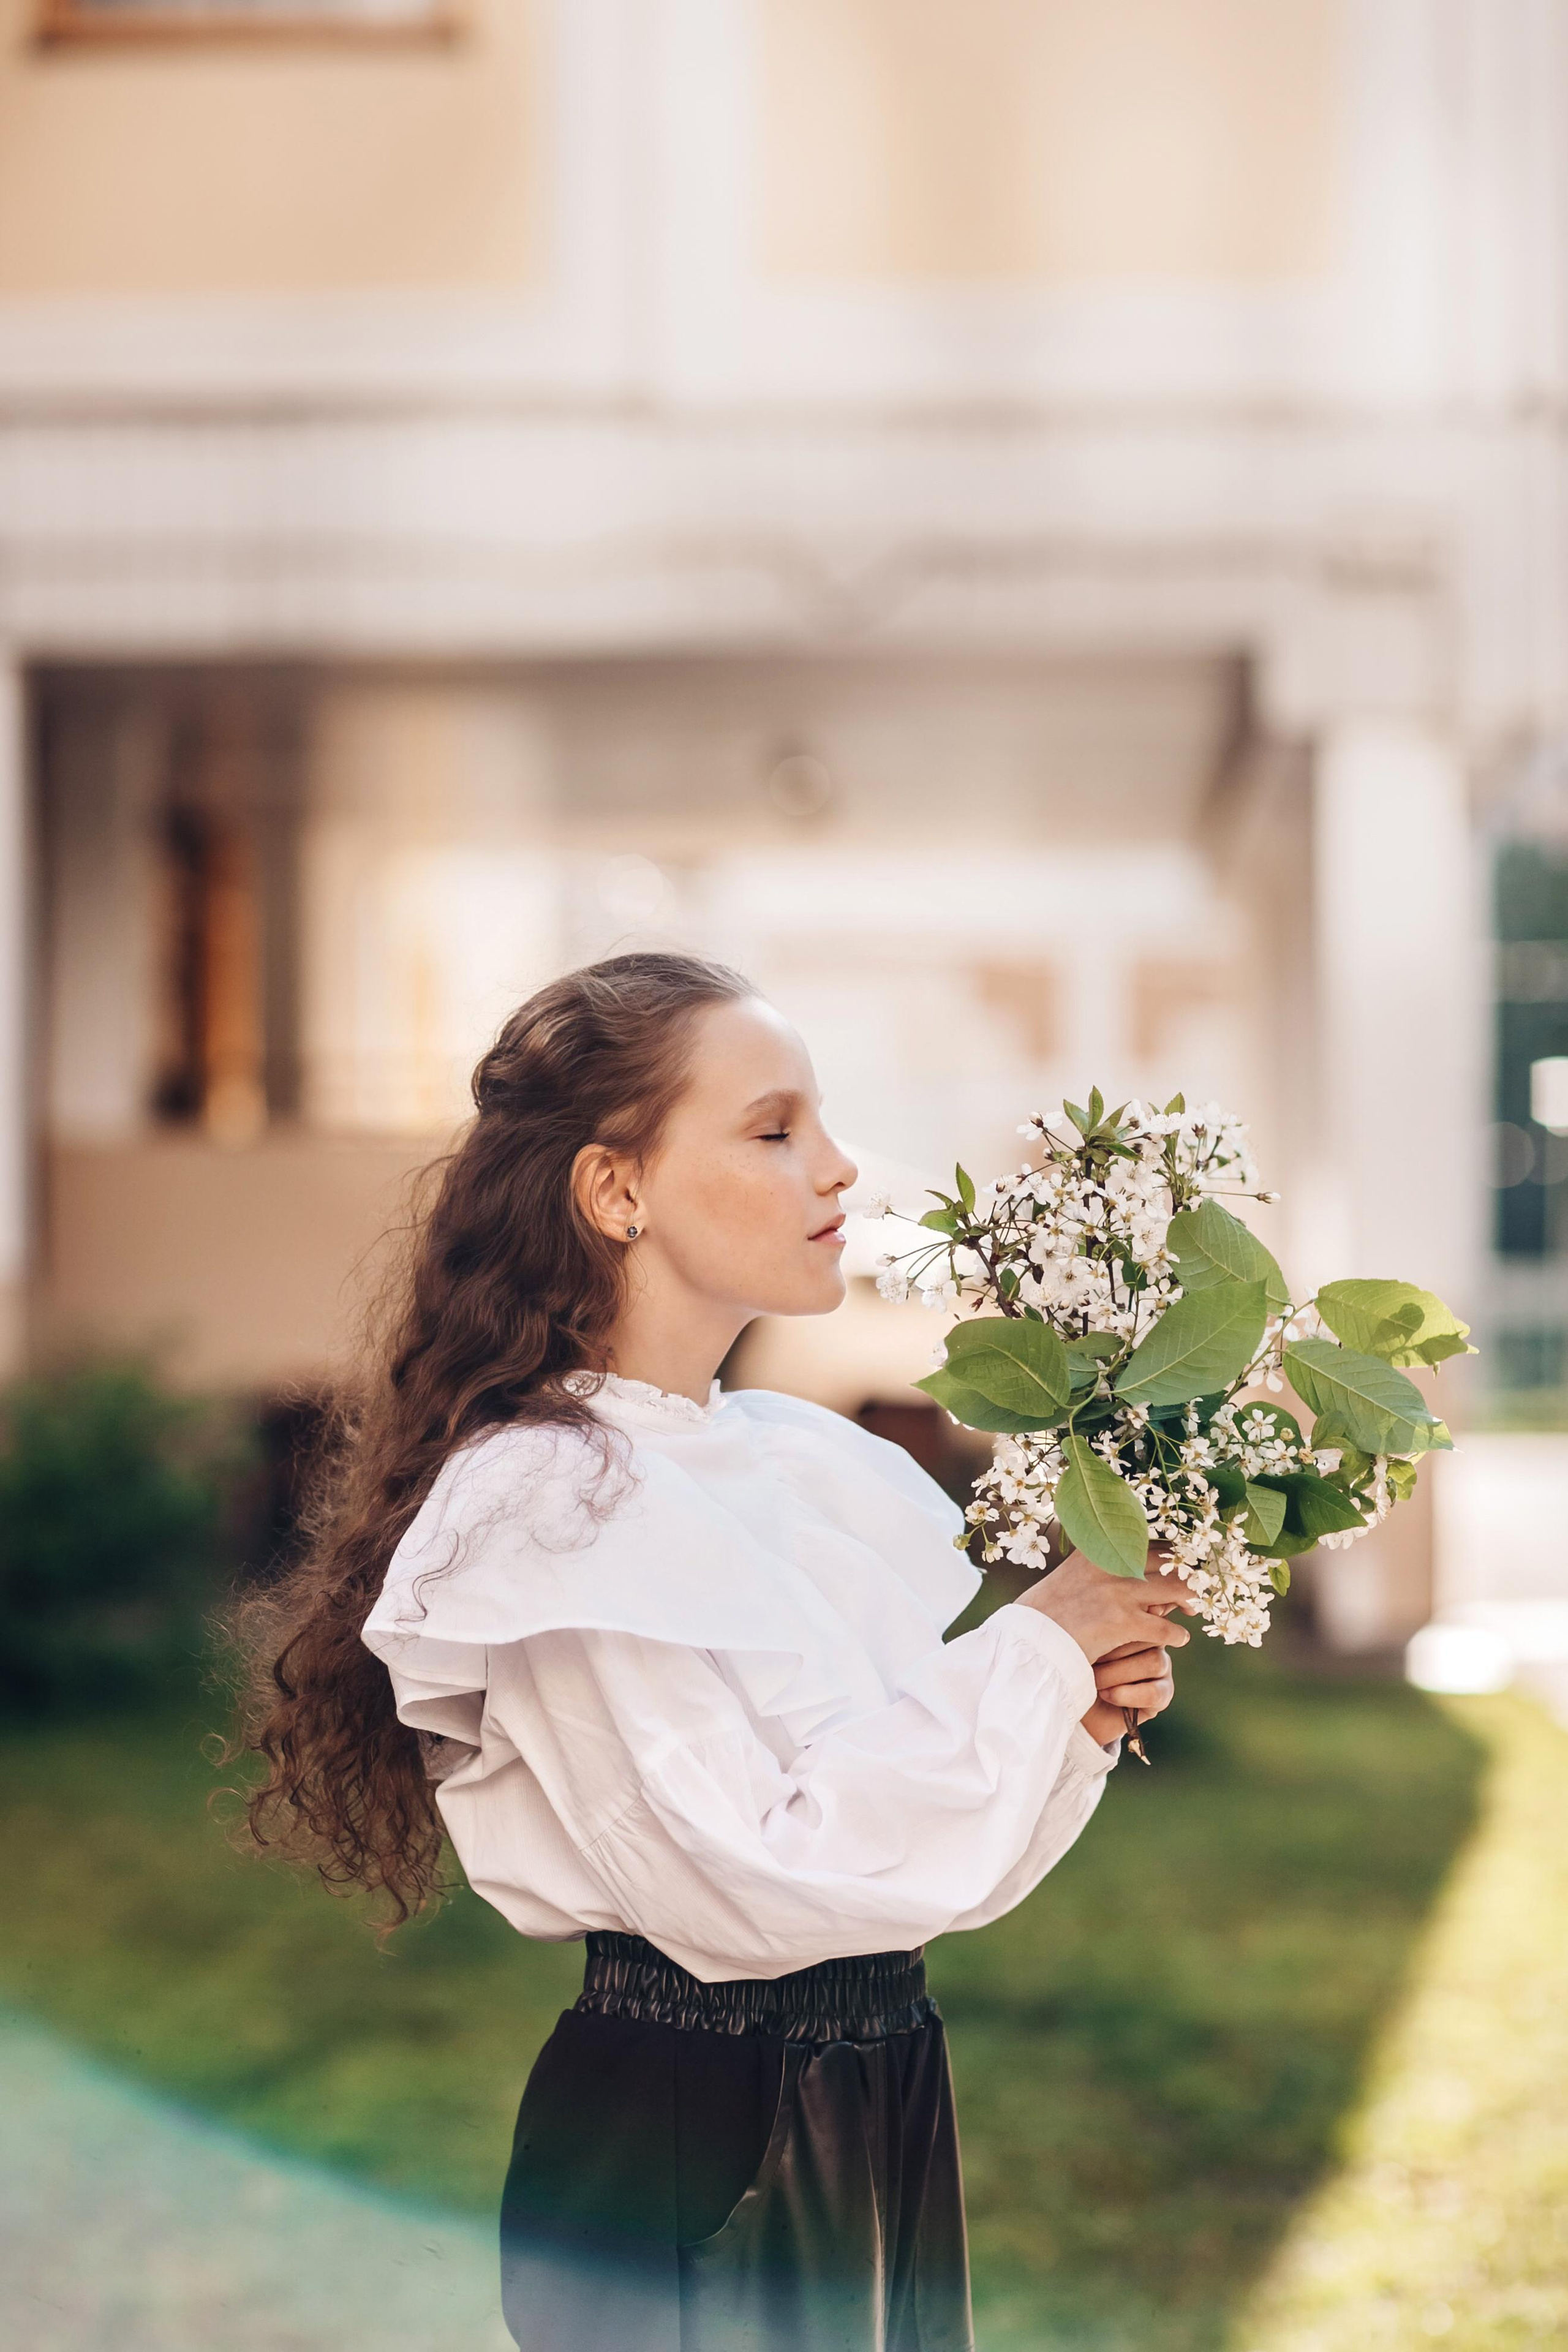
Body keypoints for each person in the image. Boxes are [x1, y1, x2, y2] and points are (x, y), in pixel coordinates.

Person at [228, 950, 1191, 2352]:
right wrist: (1036, 1653)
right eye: (773, 1129)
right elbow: (748, 1882)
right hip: (700, 2132)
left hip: (878, 2085)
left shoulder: (783, 1461)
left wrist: (1067, 1721)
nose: (839, 1169)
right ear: (614, 1191)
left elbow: (890, 1877)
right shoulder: (553, 1501)